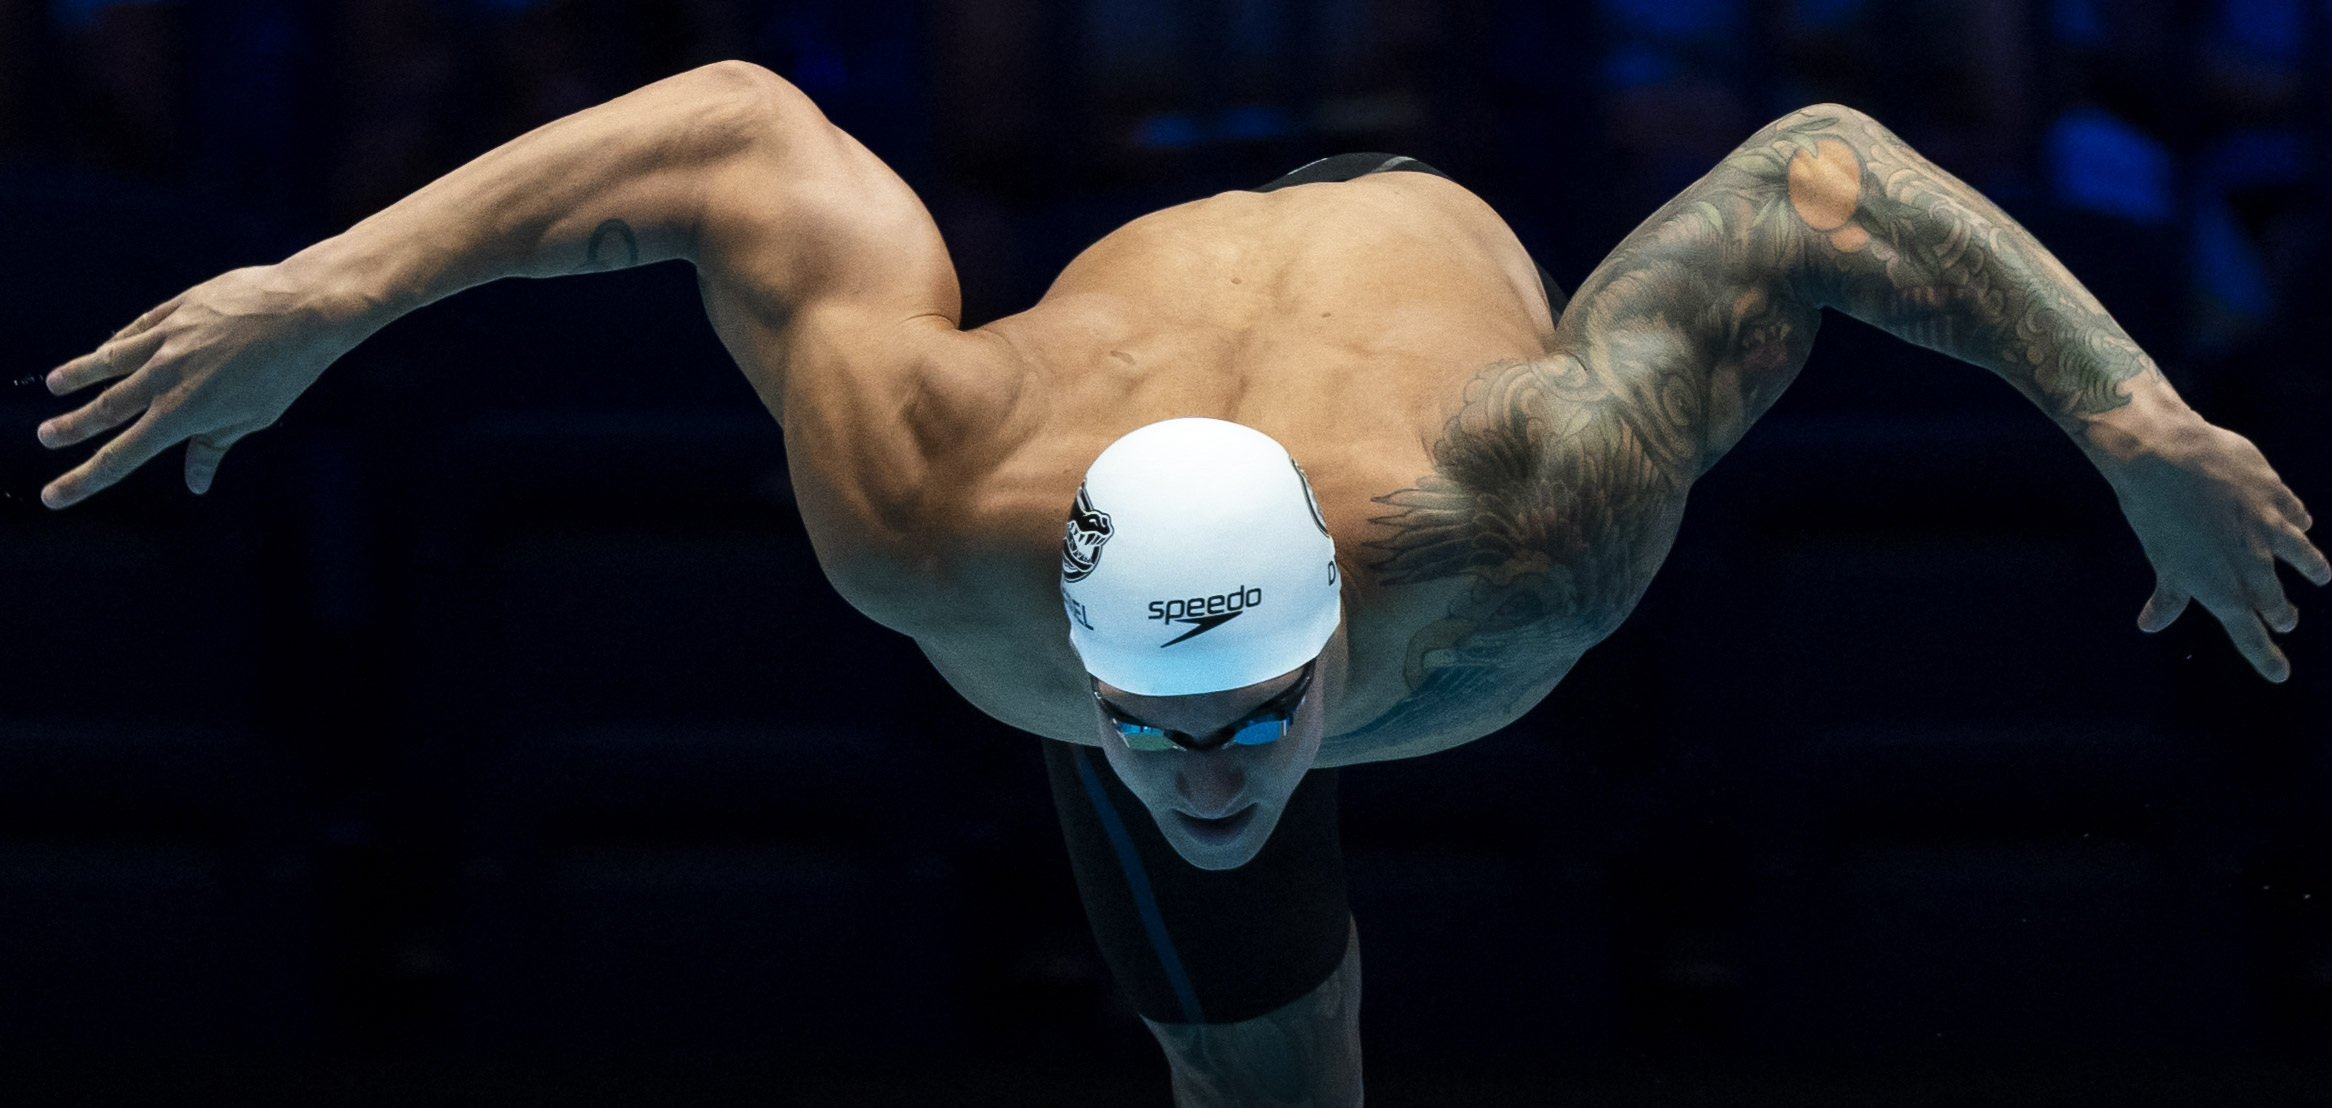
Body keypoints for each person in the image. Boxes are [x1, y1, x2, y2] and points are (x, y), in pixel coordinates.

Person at [30, 61, 2325, 1105]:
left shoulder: (1526, 499)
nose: (1205, 766)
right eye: (1149, 714)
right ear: (1073, 637)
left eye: (1244, 713)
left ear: (1341, 623)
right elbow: (727, 133)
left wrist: (2126, 419)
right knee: (1256, 1059)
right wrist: (323, 290)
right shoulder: (937, 507)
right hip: (1130, 366)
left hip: (1400, 268)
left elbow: (1813, 176)